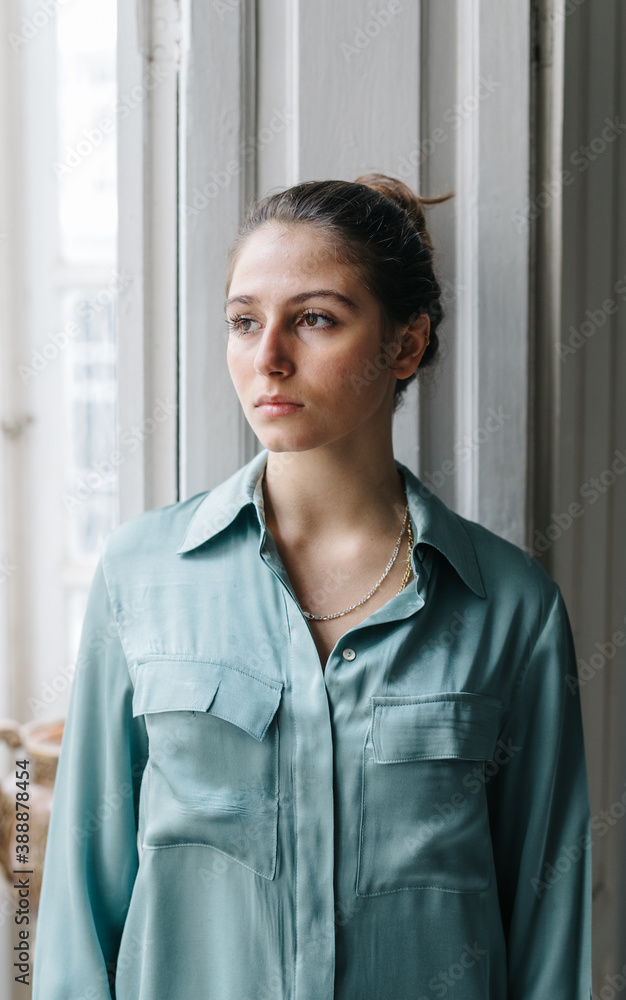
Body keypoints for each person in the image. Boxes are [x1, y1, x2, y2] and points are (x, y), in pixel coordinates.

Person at [33, 174, 592, 999]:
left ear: (405, 344)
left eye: (315, 319)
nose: (268, 358)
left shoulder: (511, 609)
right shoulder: (141, 575)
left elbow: (550, 929)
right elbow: (79, 898)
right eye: (243, 322)